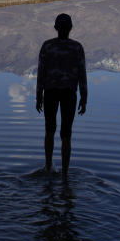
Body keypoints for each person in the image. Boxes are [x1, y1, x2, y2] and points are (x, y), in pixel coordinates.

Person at [35, 13, 87, 179]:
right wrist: (84, 98)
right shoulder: (77, 47)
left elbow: (41, 73)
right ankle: (64, 172)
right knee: (66, 134)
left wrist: (38, 96)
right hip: (69, 94)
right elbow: (82, 75)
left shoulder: (47, 46)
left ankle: (48, 167)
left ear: (56, 28)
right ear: (70, 28)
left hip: (50, 92)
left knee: (49, 131)